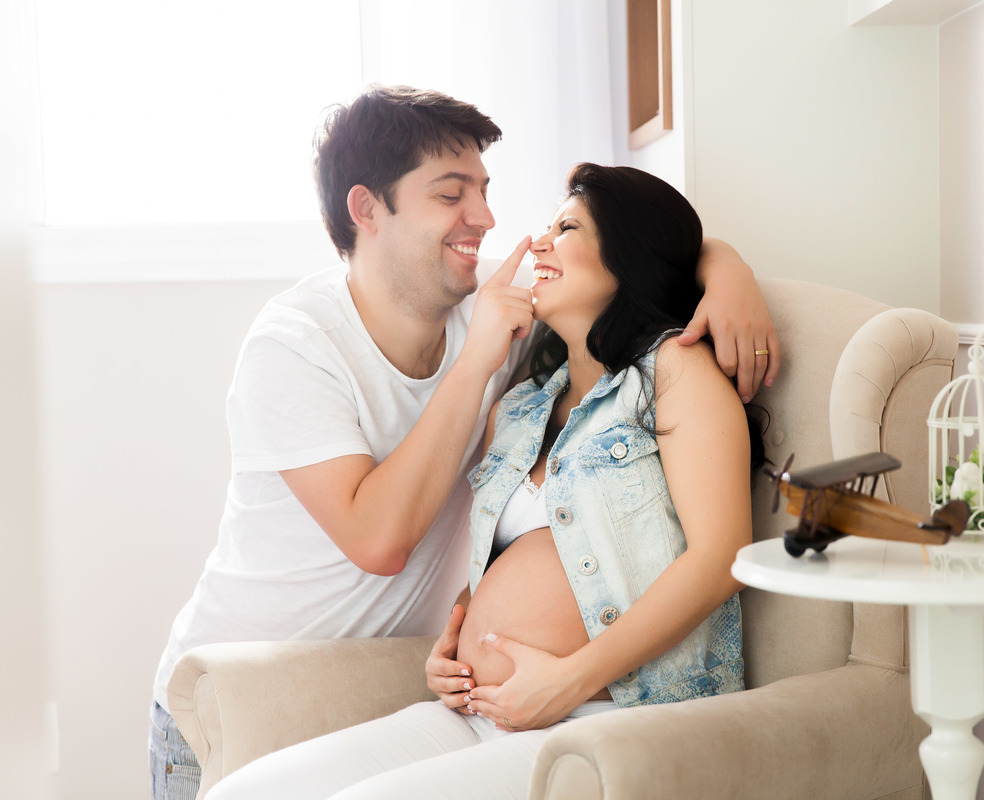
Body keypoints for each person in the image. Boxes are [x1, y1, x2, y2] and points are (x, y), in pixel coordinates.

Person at [148, 86, 780, 800]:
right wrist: (463, 623)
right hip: (243, 678)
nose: (494, 223)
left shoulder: (650, 366)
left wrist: (726, 269)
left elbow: (648, 241)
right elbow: (390, 541)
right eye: (451, 194)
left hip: (597, 710)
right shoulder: (306, 347)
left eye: (485, 191)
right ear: (367, 209)